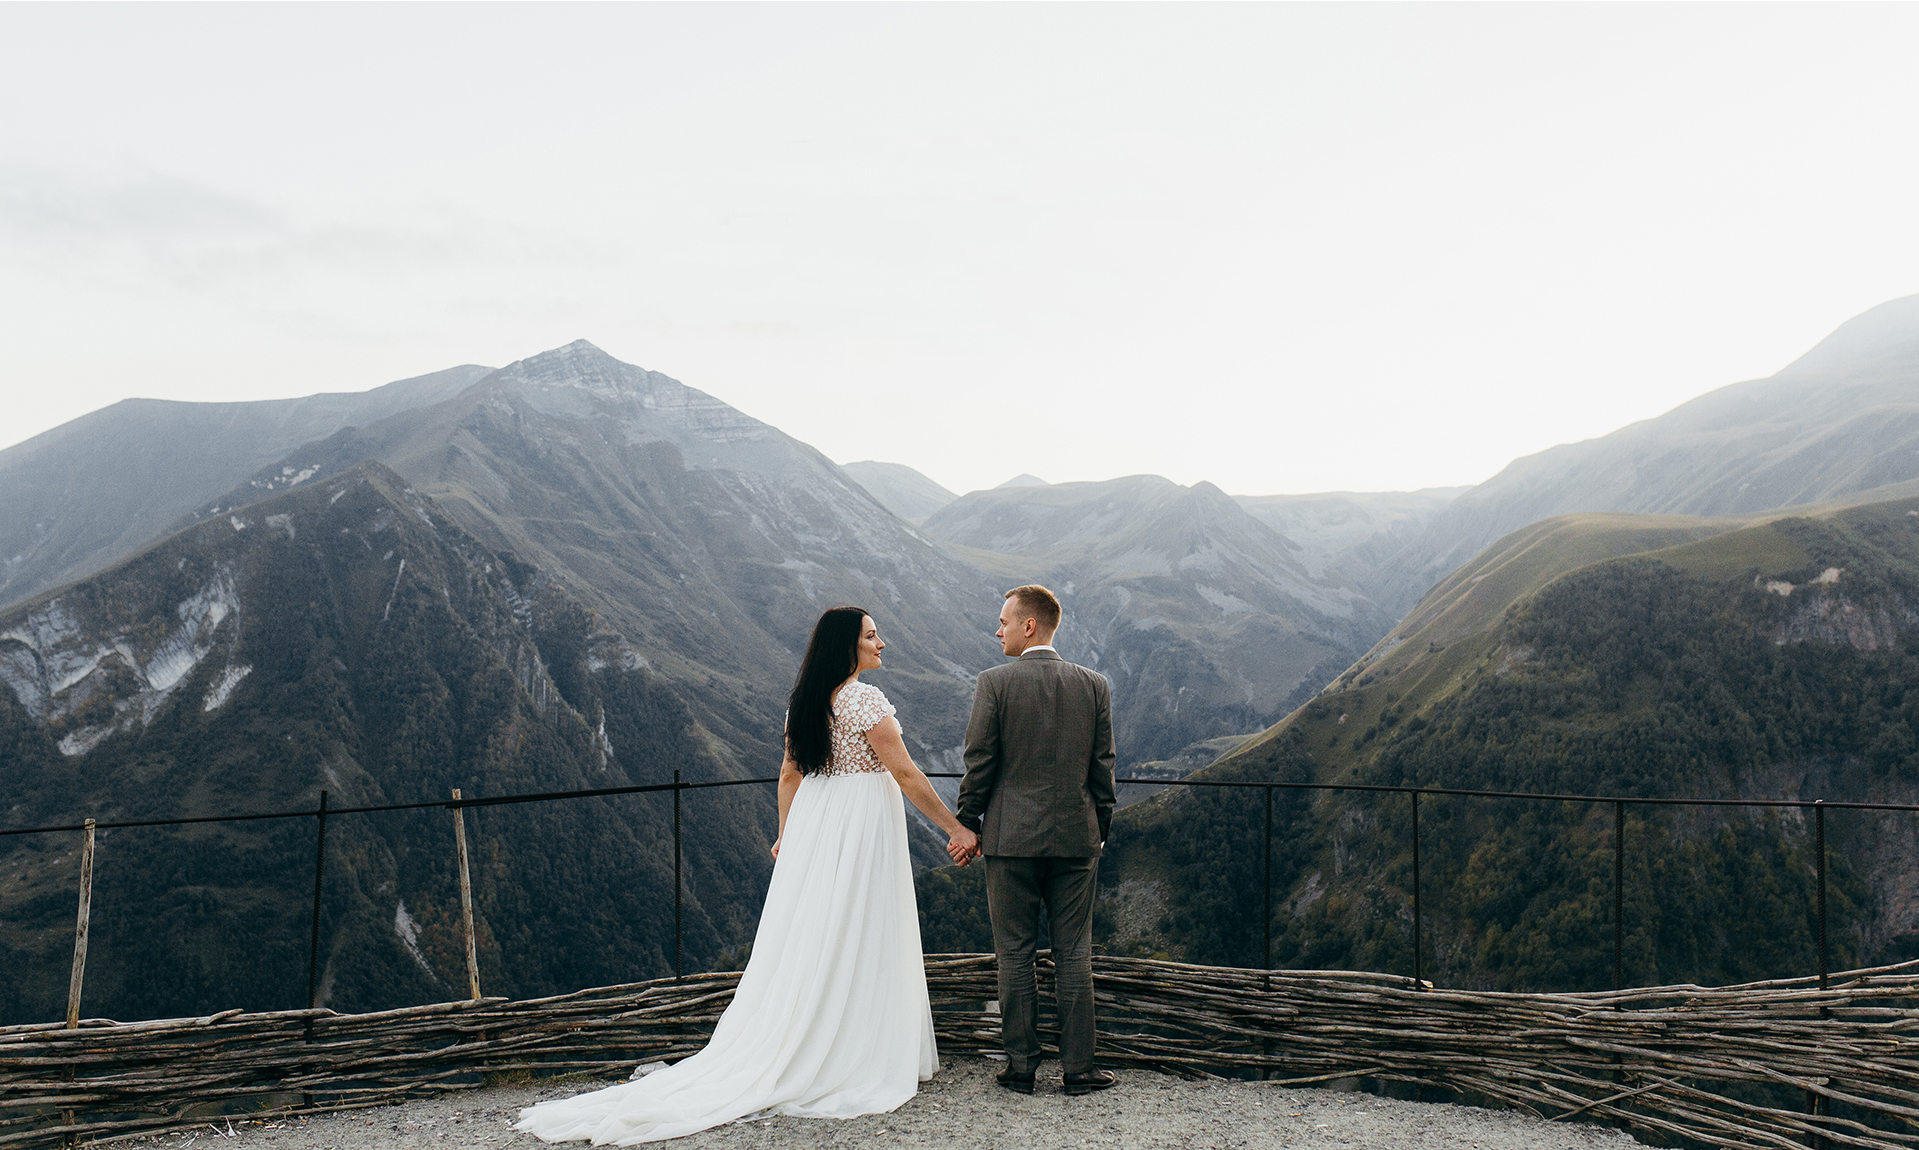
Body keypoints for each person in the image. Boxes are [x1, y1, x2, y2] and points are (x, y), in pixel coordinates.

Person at [515, 606, 979, 1144]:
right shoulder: (862, 699)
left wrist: (787, 835)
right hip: (861, 824)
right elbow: (902, 771)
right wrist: (956, 828)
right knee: (866, 925)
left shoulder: (804, 703)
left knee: (821, 934)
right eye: (873, 636)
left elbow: (789, 774)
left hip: (820, 820)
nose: (883, 643)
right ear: (846, 647)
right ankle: (860, 1046)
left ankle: (820, 1037)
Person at [956, 584, 1118, 1096]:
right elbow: (1103, 770)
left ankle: (1021, 1067)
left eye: (1004, 621)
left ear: (1030, 625)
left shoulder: (994, 684)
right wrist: (1100, 831)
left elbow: (979, 762)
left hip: (1009, 841)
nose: (997, 629)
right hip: (1077, 838)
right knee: (1074, 952)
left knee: (1014, 952)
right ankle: (1079, 1070)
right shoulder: (1094, 685)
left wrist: (968, 822)